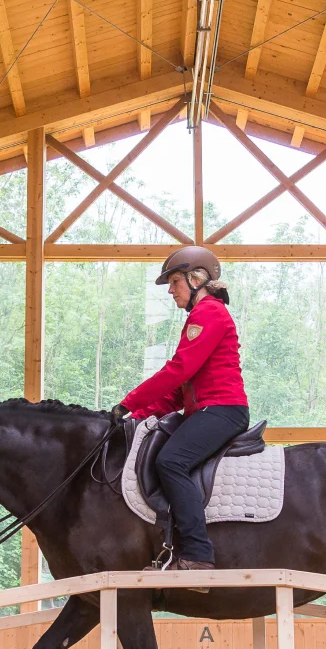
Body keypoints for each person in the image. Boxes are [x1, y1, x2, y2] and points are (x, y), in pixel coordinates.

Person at [110, 245, 249, 573]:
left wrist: (128, 402)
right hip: (202, 411)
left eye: (175, 281)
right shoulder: (199, 317)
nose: (171, 290)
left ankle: (199, 555)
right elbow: (178, 392)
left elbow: (178, 370)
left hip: (222, 410)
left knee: (171, 461)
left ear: (197, 278)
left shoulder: (209, 313)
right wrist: (136, 417)